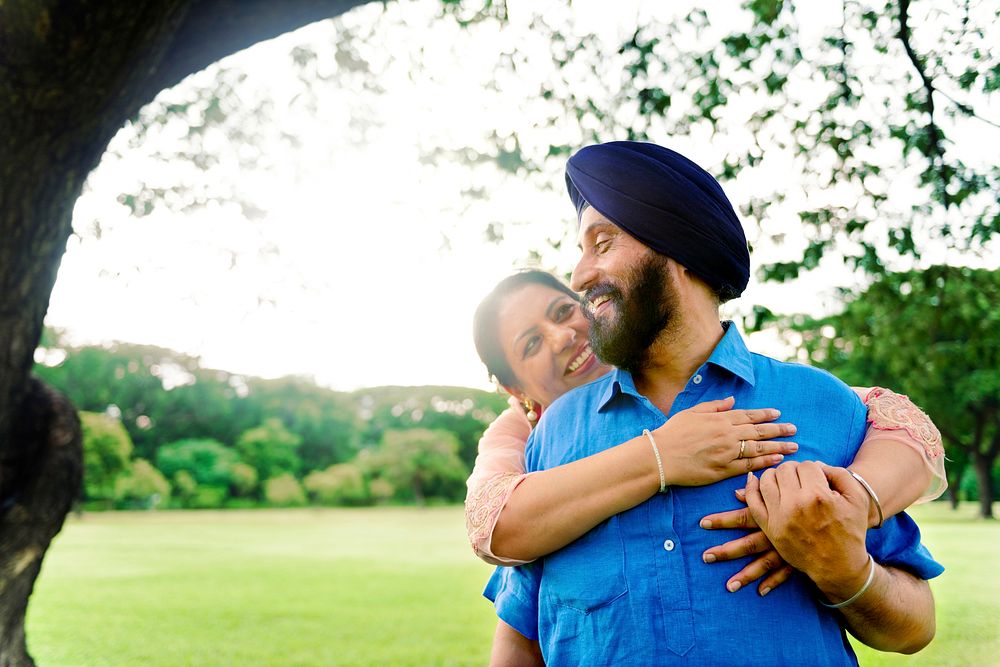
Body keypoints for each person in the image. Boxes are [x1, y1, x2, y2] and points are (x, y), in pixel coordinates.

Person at [483, 141, 943, 665]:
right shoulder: (552, 437)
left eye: (602, 243)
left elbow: (915, 628)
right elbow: (522, 639)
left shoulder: (826, 404)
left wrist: (845, 570)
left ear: (675, 243)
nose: (580, 275)